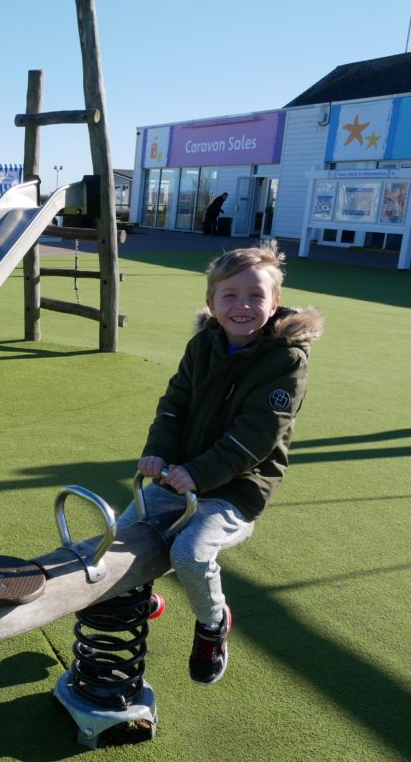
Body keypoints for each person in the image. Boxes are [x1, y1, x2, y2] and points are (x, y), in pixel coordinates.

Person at [118, 245, 323, 685]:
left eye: (255, 295)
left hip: (237, 489)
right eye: (229, 296)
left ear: (274, 302)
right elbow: (175, 405)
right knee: (127, 532)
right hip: (182, 474)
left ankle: (213, 625)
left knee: (189, 553)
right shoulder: (203, 345)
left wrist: (199, 474)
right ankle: (140, 593)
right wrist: (159, 451)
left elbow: (255, 438)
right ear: (212, 304)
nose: (243, 306)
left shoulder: (285, 361)